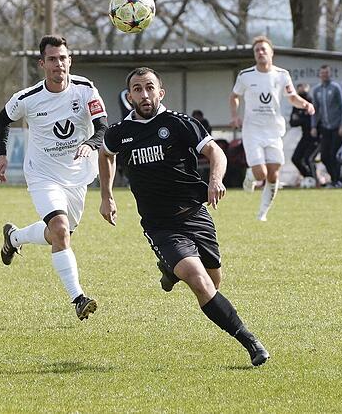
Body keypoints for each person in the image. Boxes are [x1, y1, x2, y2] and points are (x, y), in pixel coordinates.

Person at [98, 67, 269, 367]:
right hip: (160, 225)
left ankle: (169, 268)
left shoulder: (178, 123)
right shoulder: (119, 133)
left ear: (160, 92)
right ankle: (250, 341)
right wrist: (106, 195)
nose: (144, 94)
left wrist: (215, 180)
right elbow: (105, 154)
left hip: (195, 214)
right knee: (199, 281)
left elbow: (217, 153)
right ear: (130, 96)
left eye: (150, 87)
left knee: (214, 280)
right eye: (137, 89)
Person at [0, 35, 107, 321]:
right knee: (58, 229)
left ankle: (15, 237)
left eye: (63, 58)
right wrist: (1, 154)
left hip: (78, 176)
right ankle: (78, 298)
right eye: (53, 59)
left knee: (60, 235)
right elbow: (2, 119)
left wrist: (90, 144)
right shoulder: (27, 99)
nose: (59, 64)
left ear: (70, 61)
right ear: (42, 64)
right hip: (43, 175)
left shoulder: (85, 90)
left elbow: (103, 127)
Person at [229, 36, 314, 221]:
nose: (260, 52)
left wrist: (305, 104)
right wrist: (235, 115)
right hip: (253, 130)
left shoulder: (282, 75)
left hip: (274, 130)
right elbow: (234, 96)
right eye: (257, 50)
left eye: (263, 49)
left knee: (274, 175)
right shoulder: (245, 75)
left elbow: (292, 97)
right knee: (261, 174)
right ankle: (251, 175)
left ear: (271, 53)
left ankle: (262, 213)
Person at [311, 64, 342, 187]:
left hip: (337, 127)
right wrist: (313, 126)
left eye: (326, 73)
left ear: (330, 74)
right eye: (322, 73)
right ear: (319, 75)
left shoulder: (336, 87)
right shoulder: (317, 90)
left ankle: (337, 181)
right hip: (325, 127)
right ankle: (334, 178)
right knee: (325, 156)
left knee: (333, 154)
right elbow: (315, 109)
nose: (324, 75)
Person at [289, 83, 319, 181]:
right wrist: (304, 118)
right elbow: (292, 122)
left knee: (308, 159)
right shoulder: (296, 105)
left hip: (315, 136)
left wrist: (301, 119)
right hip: (305, 136)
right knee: (295, 158)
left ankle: (315, 181)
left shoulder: (311, 102)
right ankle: (309, 178)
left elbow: (313, 119)